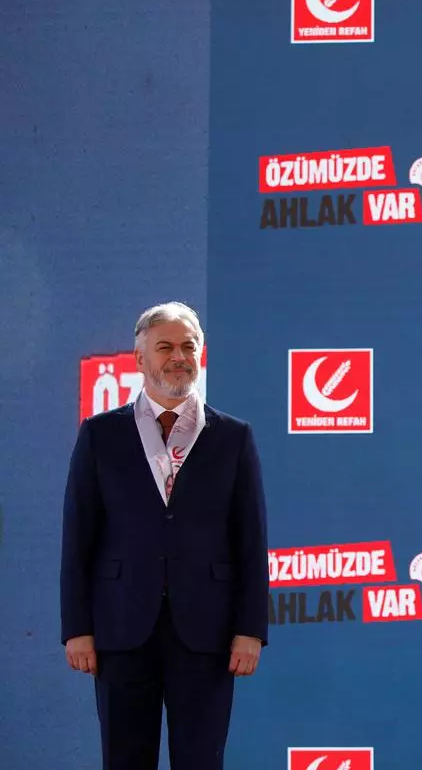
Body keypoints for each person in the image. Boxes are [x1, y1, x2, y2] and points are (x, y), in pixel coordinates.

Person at [59, 302, 269, 770]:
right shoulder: (99, 435)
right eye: (166, 347)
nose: (179, 356)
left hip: (208, 634)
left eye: (188, 346)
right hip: (120, 630)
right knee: (124, 760)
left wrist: (250, 629)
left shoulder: (234, 437)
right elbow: (78, 538)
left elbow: (251, 541)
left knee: (201, 760)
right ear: (139, 360)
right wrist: (77, 628)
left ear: (200, 354)